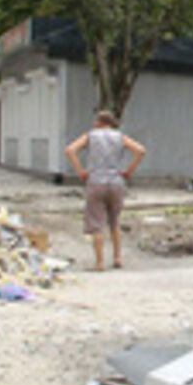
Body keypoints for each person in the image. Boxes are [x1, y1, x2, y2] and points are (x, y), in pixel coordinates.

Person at [65, 110, 146, 271]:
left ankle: (100, 262)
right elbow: (140, 151)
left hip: (96, 181)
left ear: (98, 122)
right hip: (116, 182)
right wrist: (129, 171)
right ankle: (117, 258)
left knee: (96, 223)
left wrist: (80, 170)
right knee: (114, 221)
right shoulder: (120, 136)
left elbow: (70, 150)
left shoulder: (91, 136)